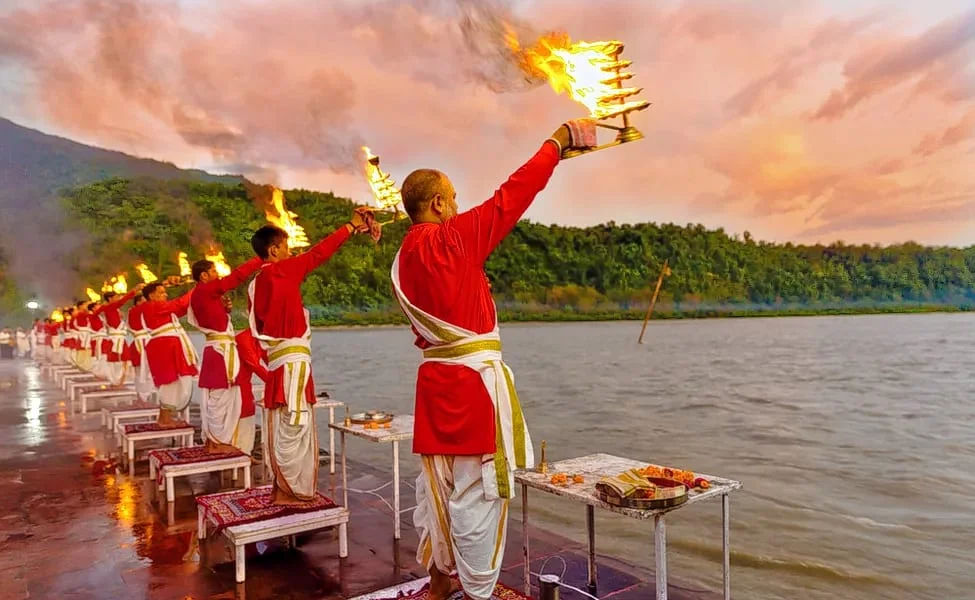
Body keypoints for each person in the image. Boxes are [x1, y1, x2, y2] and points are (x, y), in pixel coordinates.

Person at [391, 120, 596, 600]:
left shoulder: (402, 258)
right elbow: (513, 194)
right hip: (472, 392)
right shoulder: (454, 238)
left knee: (438, 492)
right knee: (479, 495)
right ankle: (478, 591)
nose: (460, 206)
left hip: (433, 387)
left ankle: (439, 584)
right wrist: (557, 142)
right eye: (454, 198)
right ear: (439, 203)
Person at [247, 207, 374, 504]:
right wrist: (350, 226)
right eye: (287, 247)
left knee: (283, 426)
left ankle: (282, 488)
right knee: (295, 425)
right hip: (291, 364)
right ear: (274, 250)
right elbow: (320, 253)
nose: (291, 252)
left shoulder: (256, 283)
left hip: (281, 362)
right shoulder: (282, 271)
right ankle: (290, 491)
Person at [188, 256, 262, 452]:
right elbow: (236, 277)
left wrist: (224, 310)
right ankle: (217, 443)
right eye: (213, 272)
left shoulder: (200, 293)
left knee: (218, 398)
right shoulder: (205, 289)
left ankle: (215, 441)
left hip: (217, 350)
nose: (217, 275)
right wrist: (260, 259)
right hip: (220, 352)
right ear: (204, 276)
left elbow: (214, 320)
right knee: (220, 398)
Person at [141, 280, 197, 423]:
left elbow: (182, 308)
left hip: (167, 345)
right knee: (168, 381)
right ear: (151, 295)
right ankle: (164, 419)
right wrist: (197, 289)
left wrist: (196, 292)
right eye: (161, 293)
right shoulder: (152, 306)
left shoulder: (160, 308)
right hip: (163, 346)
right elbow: (179, 304)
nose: (165, 295)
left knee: (173, 380)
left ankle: (165, 417)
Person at [235, 326, 269, 458]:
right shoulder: (244, 339)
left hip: (244, 383)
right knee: (243, 413)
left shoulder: (259, 339)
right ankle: (239, 455)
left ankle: (245, 453)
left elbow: (271, 361)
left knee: (249, 412)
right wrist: (276, 385)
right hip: (234, 384)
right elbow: (256, 365)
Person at [98, 287, 142, 386]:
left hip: (120, 338)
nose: (118, 298)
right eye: (116, 297)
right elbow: (123, 300)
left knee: (125, 359)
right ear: (110, 299)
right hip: (115, 339)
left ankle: (121, 380)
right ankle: (116, 381)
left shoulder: (114, 308)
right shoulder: (110, 307)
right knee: (116, 360)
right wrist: (134, 290)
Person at [124, 294, 155, 402]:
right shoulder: (140, 309)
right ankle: (145, 395)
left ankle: (141, 396)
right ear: (138, 302)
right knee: (147, 371)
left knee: (140, 372)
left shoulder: (131, 311)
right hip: (143, 342)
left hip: (138, 342)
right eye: (143, 300)